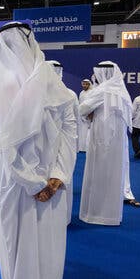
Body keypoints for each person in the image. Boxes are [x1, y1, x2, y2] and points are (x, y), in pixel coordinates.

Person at [0, 22, 77, 279]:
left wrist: (45, 180)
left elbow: (5, 141)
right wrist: (55, 177)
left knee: (28, 248)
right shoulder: (51, 82)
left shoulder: (0, 84)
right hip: (39, 184)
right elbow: (68, 131)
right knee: (34, 247)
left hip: (21, 183)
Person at [79, 61, 137, 226]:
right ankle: (111, 215)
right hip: (118, 141)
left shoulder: (100, 91)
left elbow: (82, 109)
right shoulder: (123, 93)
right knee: (113, 173)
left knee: (98, 172)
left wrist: (89, 115)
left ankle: (95, 214)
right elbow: (130, 114)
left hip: (100, 138)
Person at [47, 60, 79, 225]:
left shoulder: (69, 94)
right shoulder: (70, 93)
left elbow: (73, 122)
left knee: (61, 178)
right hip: (55, 145)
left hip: (62, 144)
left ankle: (62, 218)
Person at [78, 78, 93, 152]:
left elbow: (91, 104)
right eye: (83, 84)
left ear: (89, 84)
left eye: (86, 84)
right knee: (82, 130)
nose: (84, 85)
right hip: (81, 114)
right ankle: (81, 147)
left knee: (88, 131)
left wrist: (89, 113)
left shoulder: (91, 92)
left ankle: (87, 148)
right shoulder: (81, 93)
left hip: (88, 114)